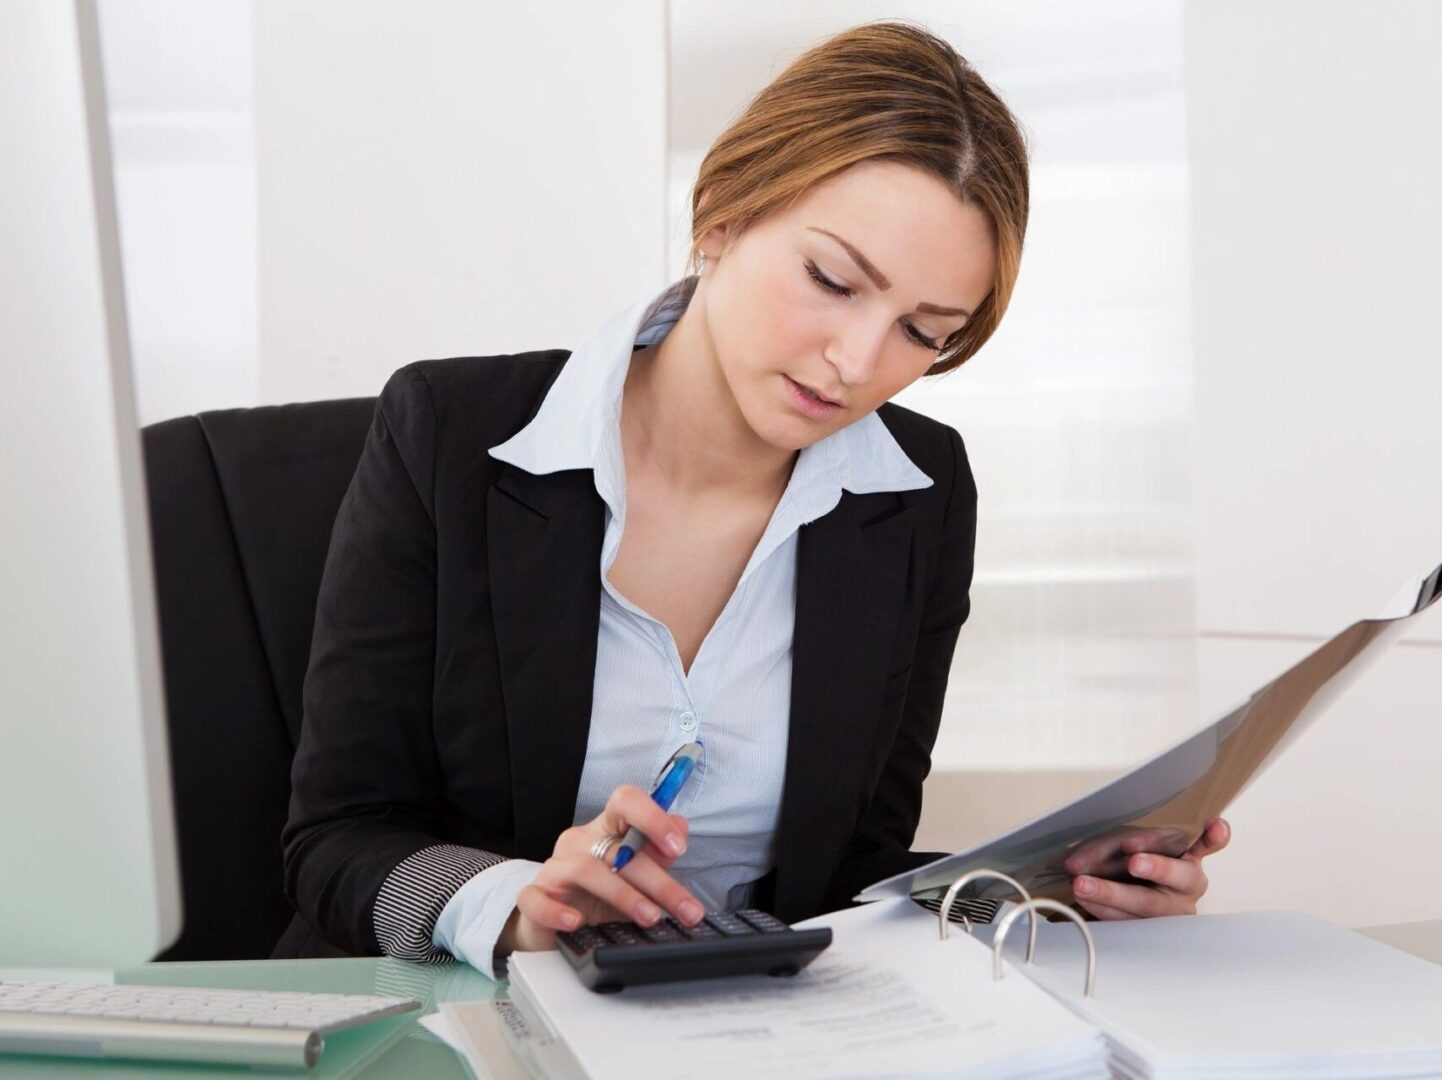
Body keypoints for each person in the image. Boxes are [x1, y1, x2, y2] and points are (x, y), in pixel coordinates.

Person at [278, 21, 1229, 977]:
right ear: (721, 216)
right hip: (470, 1025)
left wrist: (1055, 887)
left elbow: (850, 872)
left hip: (760, 1029)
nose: (857, 364)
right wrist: (511, 903)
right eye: (830, 280)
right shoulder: (450, 433)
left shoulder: (917, 494)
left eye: (922, 333)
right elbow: (337, 843)